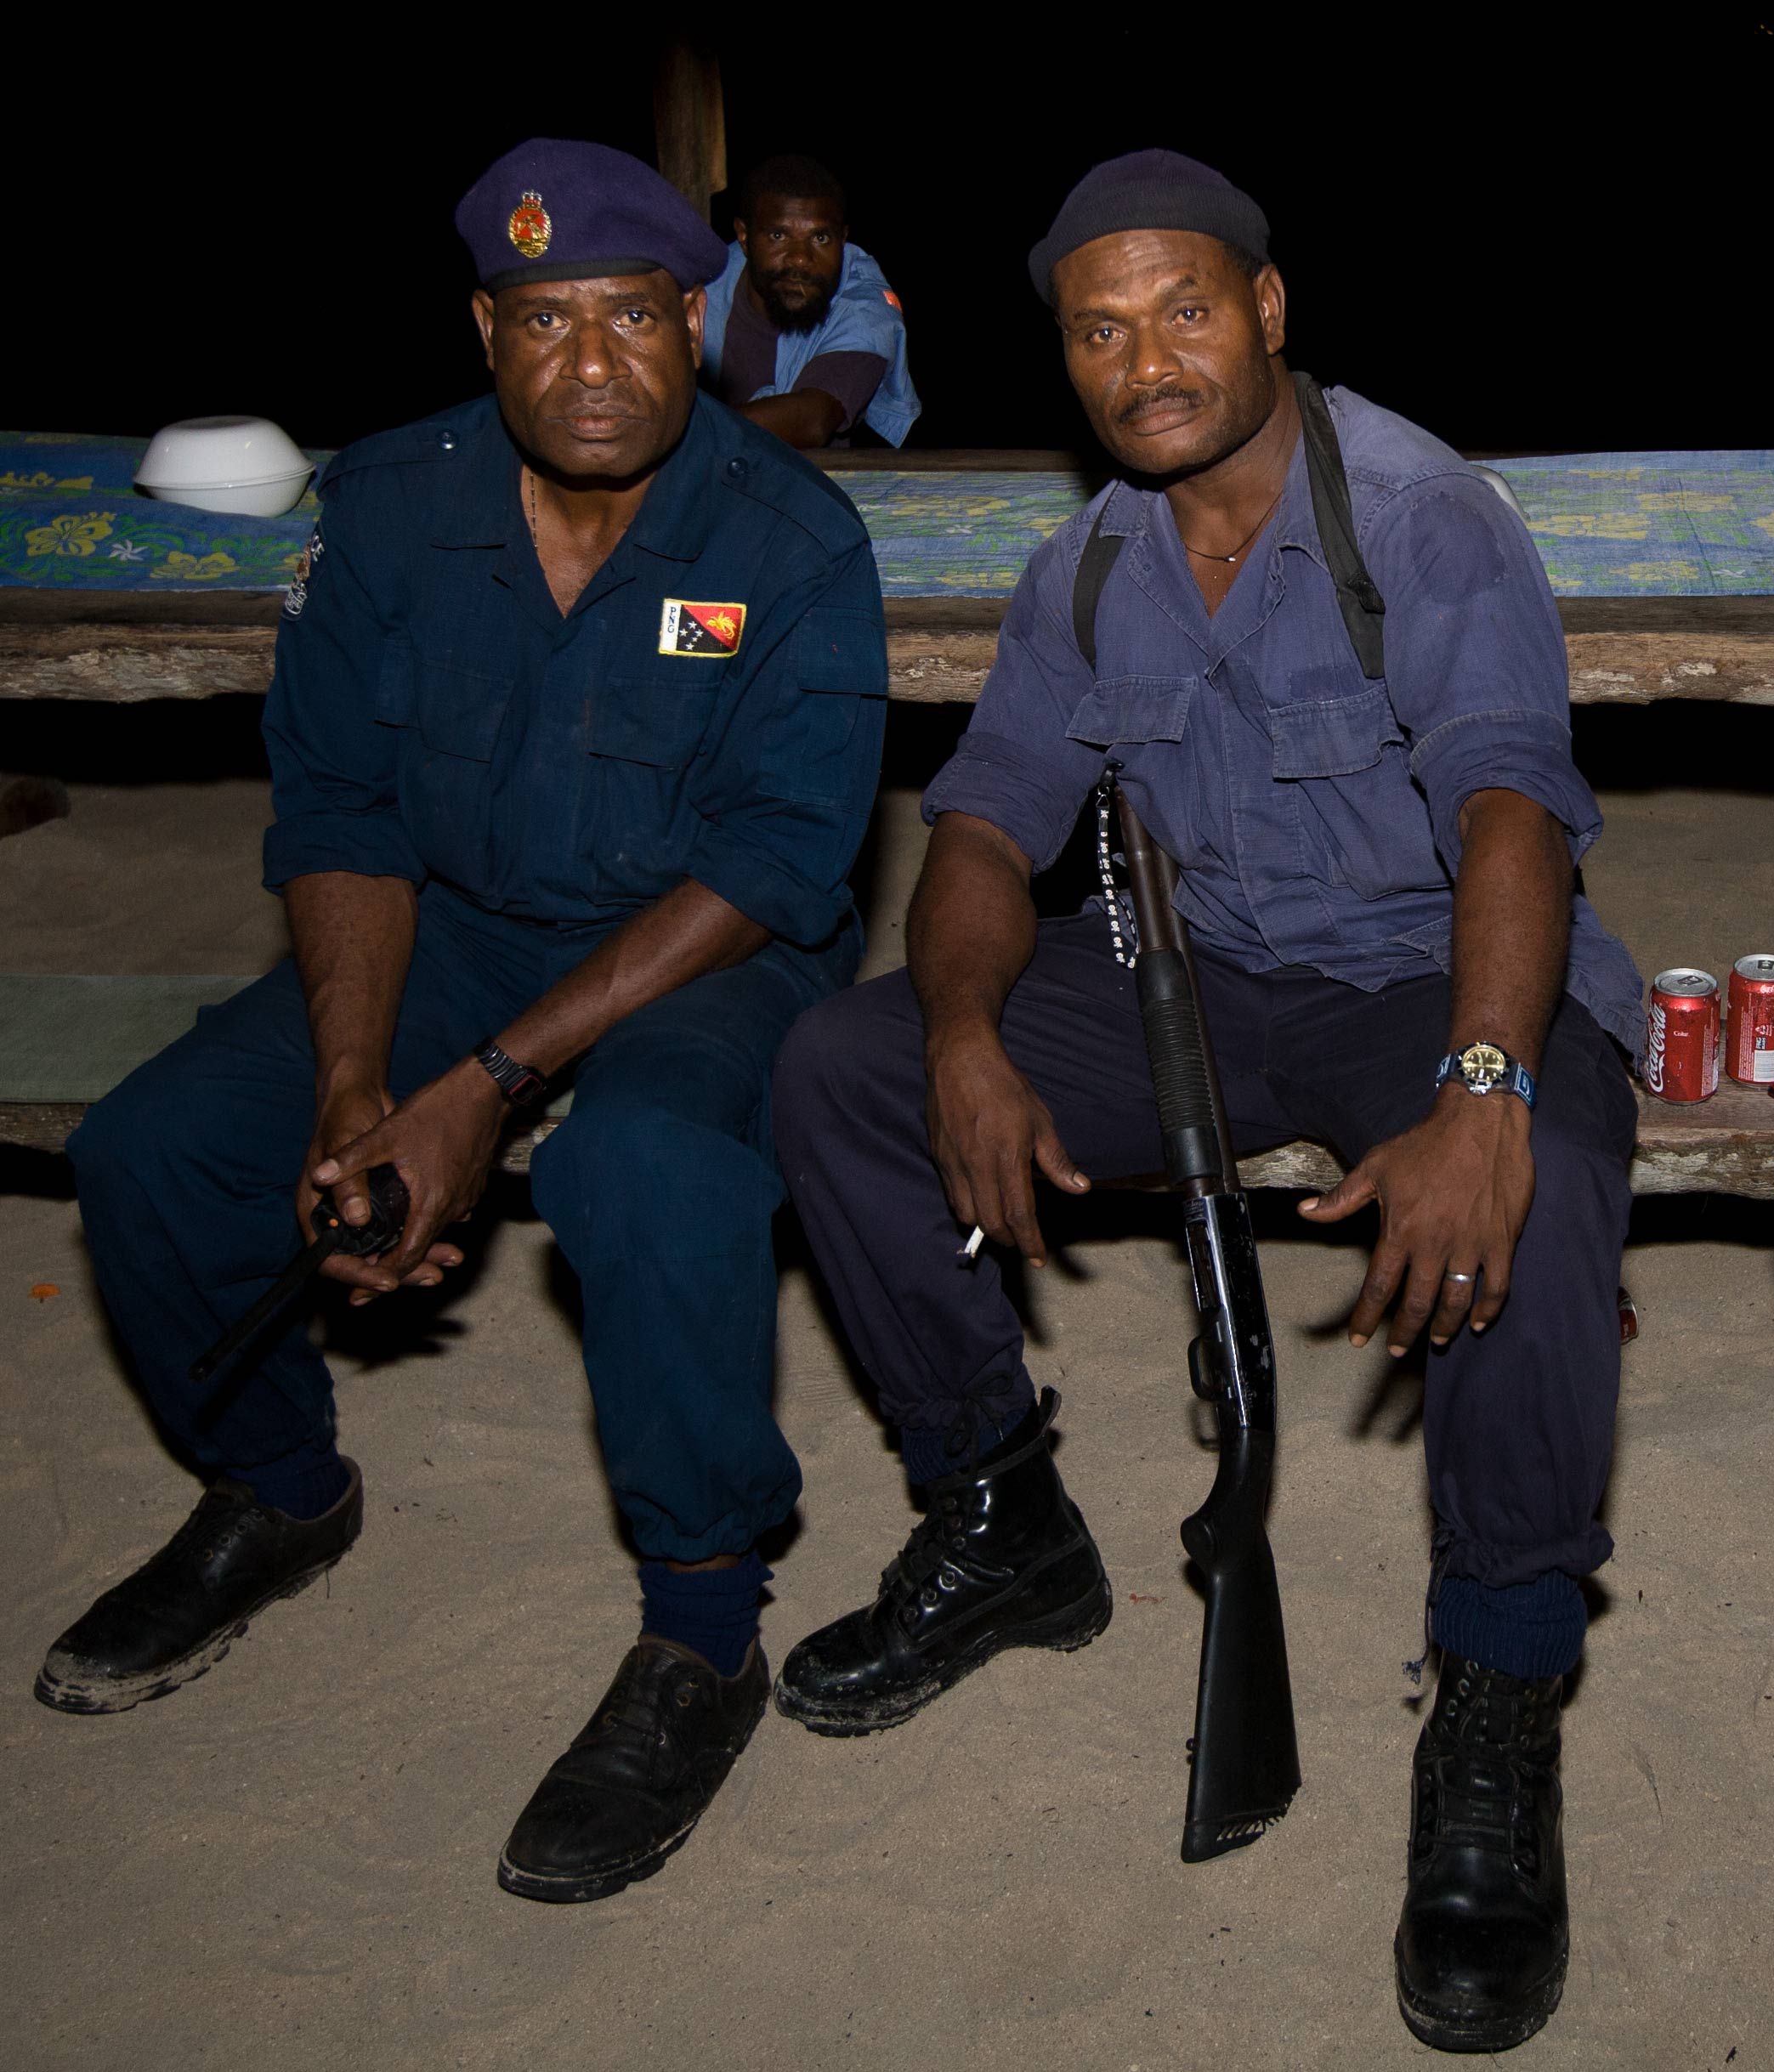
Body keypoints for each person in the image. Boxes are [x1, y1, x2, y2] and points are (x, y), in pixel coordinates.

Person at [769, 150, 1642, 2052]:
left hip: (1435, 968)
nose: (1145, 357)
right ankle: (999, 1511)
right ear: (1066, 360)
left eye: (1182, 309)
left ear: (1265, 308)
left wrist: (1485, 1083)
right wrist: (963, 1031)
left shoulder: (1416, 517)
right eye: (1100, 329)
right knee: (840, 1067)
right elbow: (989, 819)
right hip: (1198, 974)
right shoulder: (1090, 560)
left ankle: (1494, 1698)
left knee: (1546, 1175)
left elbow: (1512, 808)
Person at [38, 139, 889, 1906]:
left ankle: (700, 1631)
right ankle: (276, 1490)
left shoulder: (788, 532)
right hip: (455, 924)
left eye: (635, 318)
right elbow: (341, 806)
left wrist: (487, 1092)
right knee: (160, 1149)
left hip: (707, 950)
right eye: (545, 321)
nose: (595, 366)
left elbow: (777, 862)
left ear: (693, 322)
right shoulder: (392, 502)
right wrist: (363, 1081)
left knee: (649, 1174)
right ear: (485, 333)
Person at [701, 153, 919, 449]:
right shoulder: (699, 286)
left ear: (843, 239)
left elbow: (812, 421)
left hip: (809, 485)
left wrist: (674, 435)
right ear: (744, 236)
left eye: (821, 238)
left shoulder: (865, 309)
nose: (801, 259)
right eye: (779, 235)